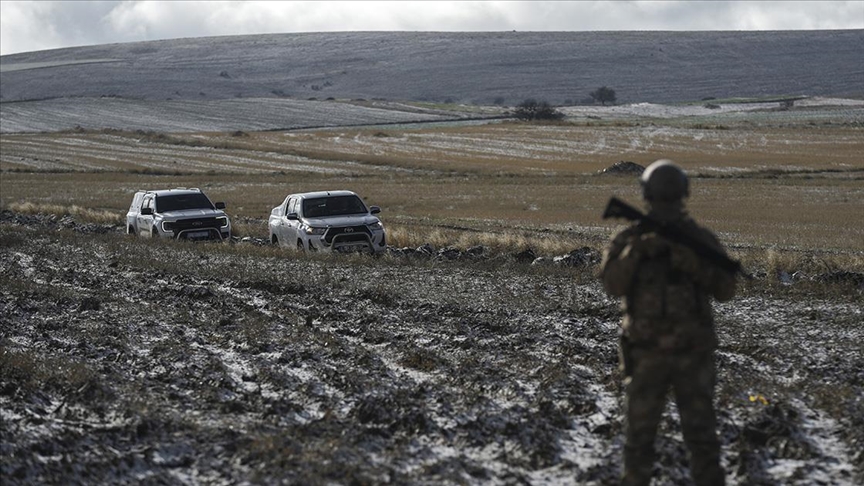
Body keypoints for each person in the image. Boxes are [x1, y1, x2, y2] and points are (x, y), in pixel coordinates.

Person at [600, 160, 736, 486]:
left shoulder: (697, 240)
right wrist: (637, 252)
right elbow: (612, 285)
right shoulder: (633, 239)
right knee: (690, 443)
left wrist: (692, 265)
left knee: (645, 444)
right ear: (684, 192)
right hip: (653, 355)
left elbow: (725, 289)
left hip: (686, 354)